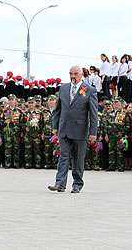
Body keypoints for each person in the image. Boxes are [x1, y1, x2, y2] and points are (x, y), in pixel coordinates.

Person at [48, 65, 98, 193]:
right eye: (70, 73)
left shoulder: (89, 90)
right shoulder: (64, 88)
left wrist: (93, 132)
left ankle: (77, 183)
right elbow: (58, 109)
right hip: (64, 128)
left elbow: (93, 113)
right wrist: (55, 126)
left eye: (75, 73)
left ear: (81, 75)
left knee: (78, 158)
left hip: (80, 130)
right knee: (63, 156)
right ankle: (60, 183)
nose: (72, 76)